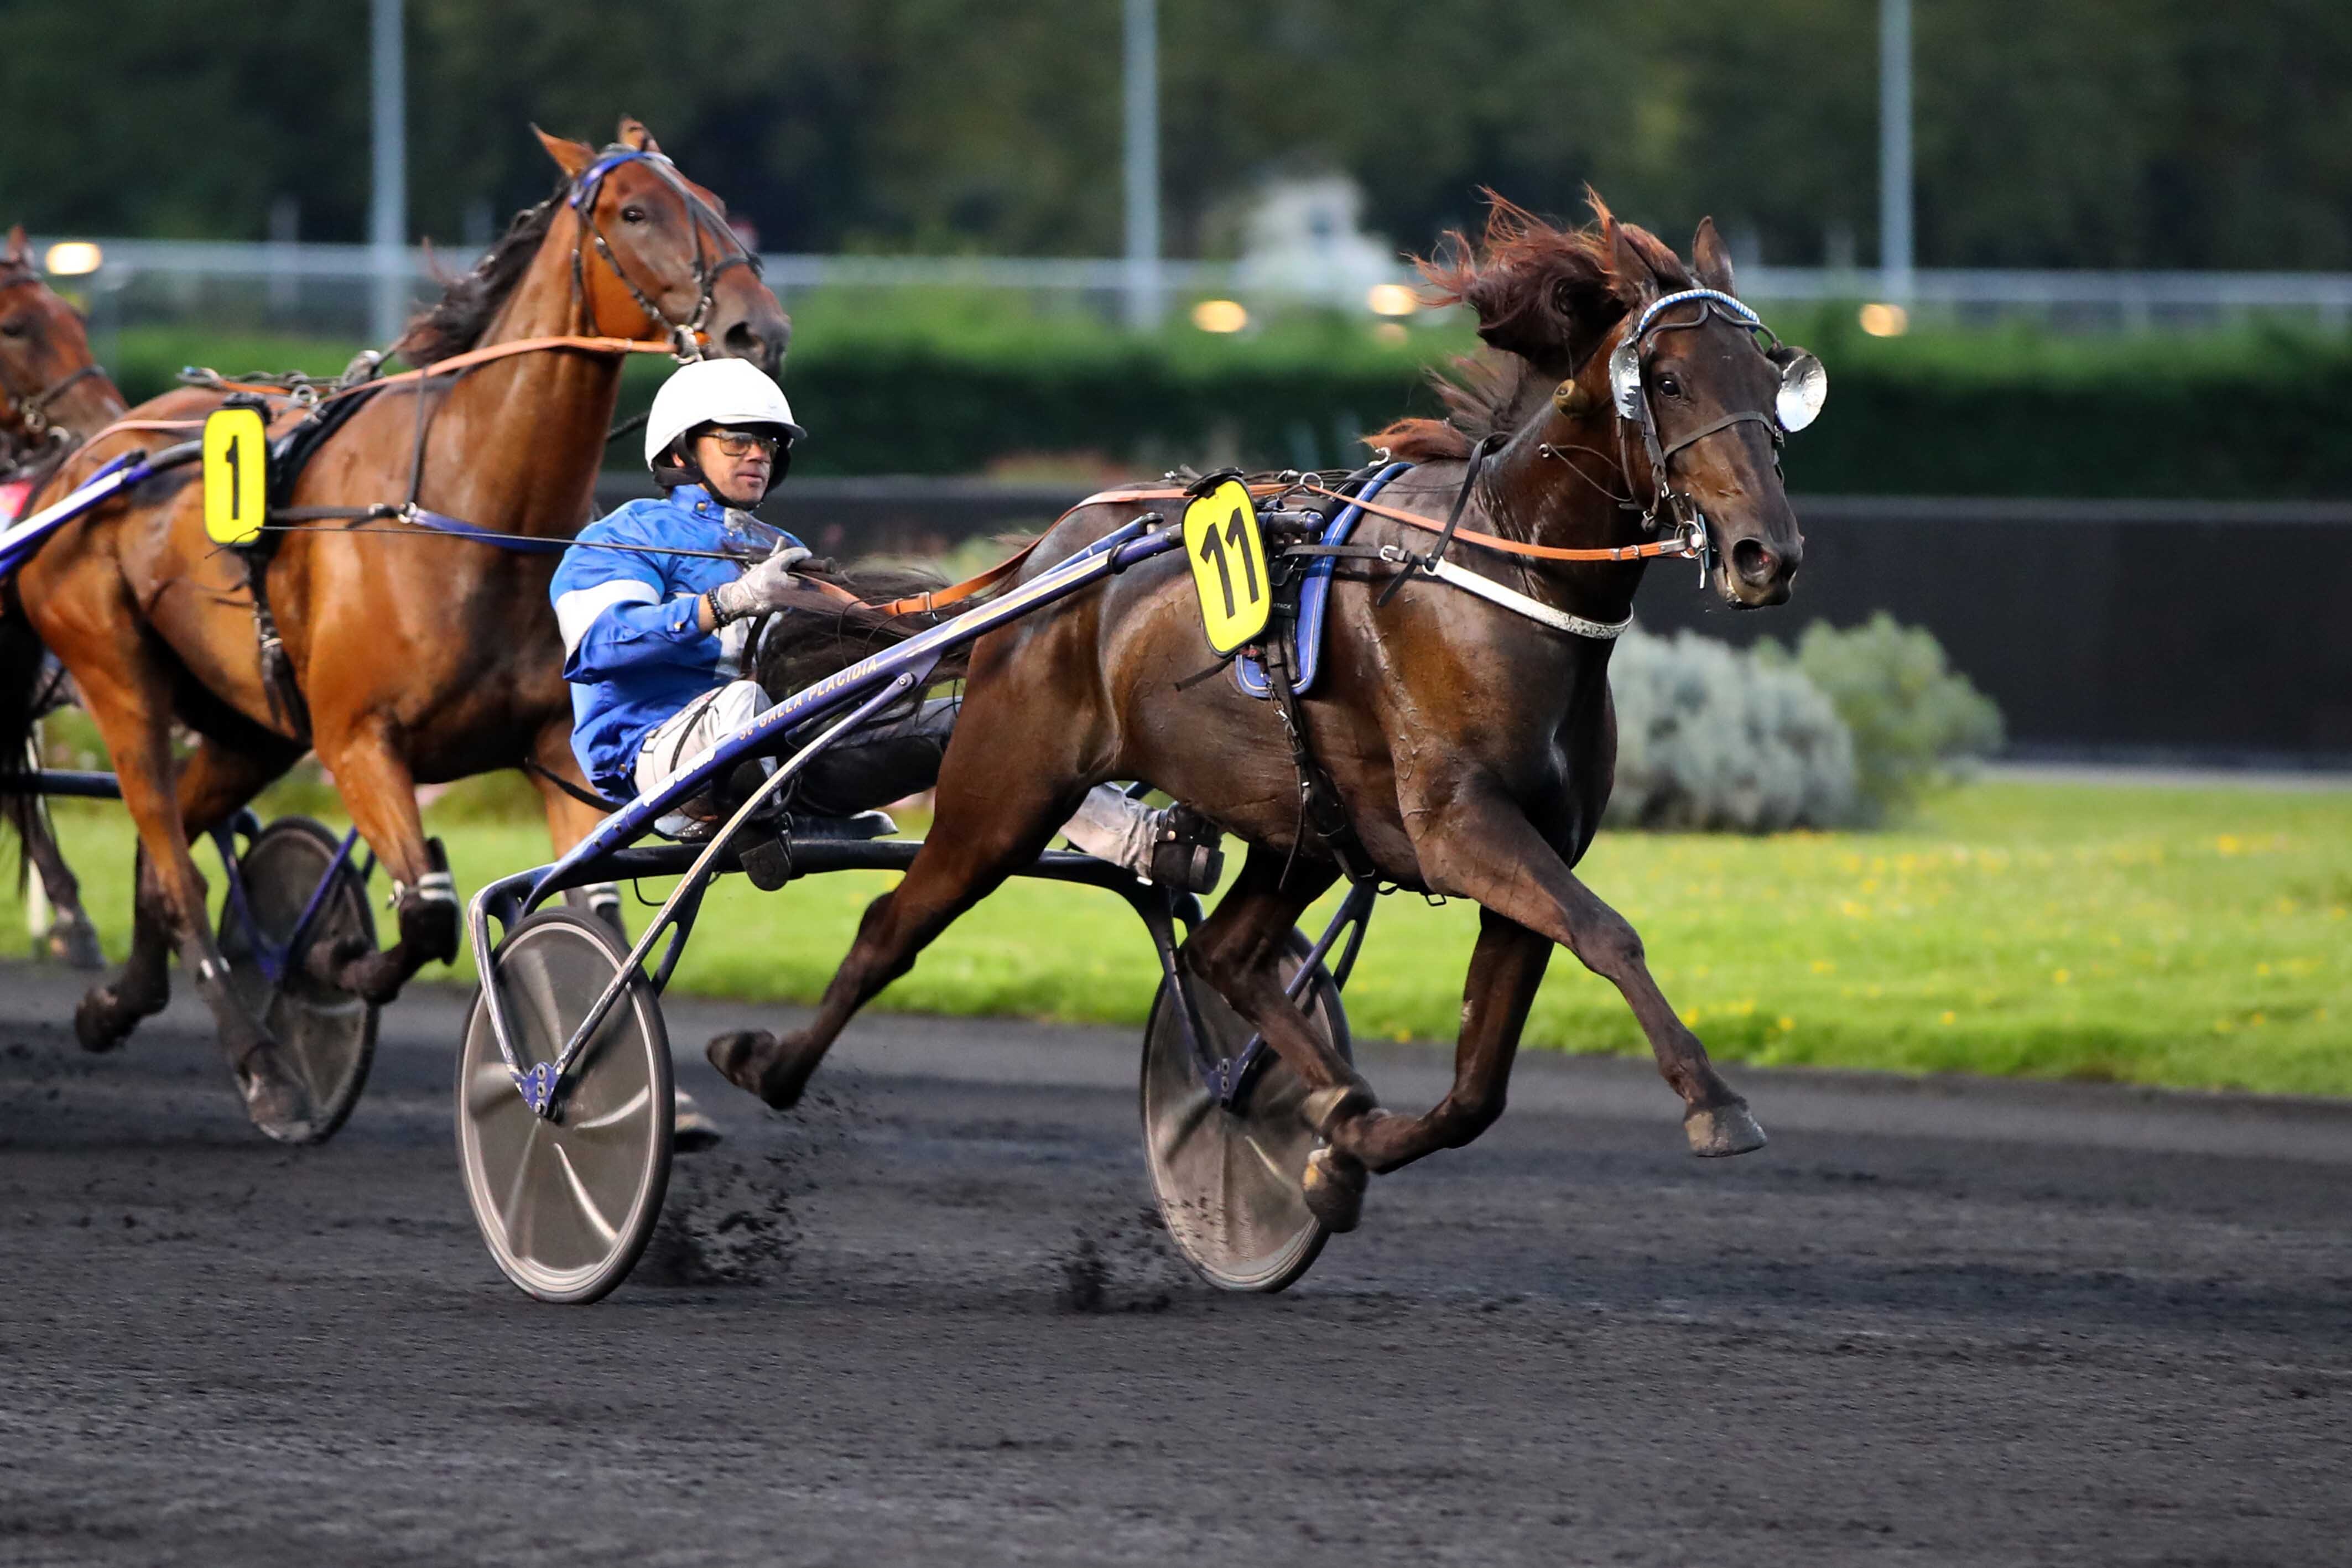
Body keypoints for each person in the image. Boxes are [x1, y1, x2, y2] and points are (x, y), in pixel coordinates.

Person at [550, 358, 1212, 882]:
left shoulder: (774, 545)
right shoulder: (620, 537)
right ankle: (745, 819)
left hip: (791, 758)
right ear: (677, 453)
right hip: (659, 764)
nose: (759, 454)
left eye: (770, 444)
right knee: (744, 704)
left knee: (977, 719)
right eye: (738, 440)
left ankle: (1143, 844)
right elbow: (598, 648)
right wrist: (730, 601)